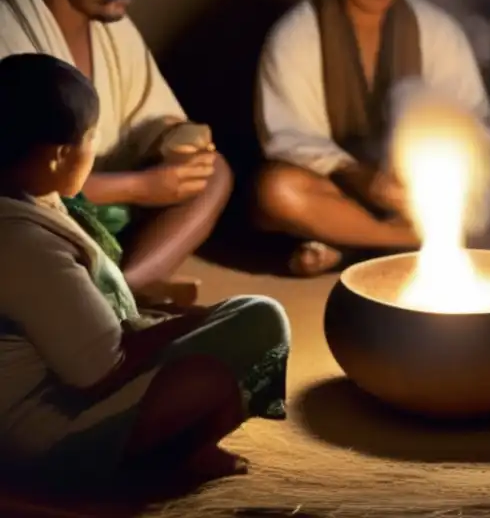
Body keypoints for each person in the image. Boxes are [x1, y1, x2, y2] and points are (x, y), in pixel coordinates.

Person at [0, 53, 289, 491]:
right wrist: (188, 325)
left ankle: (172, 449)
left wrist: (175, 325)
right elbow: (98, 368)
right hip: (46, 440)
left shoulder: (33, 199)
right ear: (59, 156)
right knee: (258, 324)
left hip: (74, 388)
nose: (94, 151)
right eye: (91, 138)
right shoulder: (22, 243)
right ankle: (145, 463)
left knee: (230, 321)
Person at [0, 0, 233, 307]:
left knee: (215, 171)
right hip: (31, 223)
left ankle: (117, 290)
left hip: (110, 210)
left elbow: (152, 117)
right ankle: (113, 297)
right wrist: (140, 187)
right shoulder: (7, 32)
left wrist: (178, 144)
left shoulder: (112, 24)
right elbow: (18, 180)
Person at [254, 0, 490, 276]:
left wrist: (424, 171)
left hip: (417, 194)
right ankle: (416, 243)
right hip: (338, 189)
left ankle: (346, 243)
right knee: (277, 191)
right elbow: (287, 139)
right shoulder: (295, 36)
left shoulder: (435, 30)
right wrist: (361, 177)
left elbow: (477, 122)